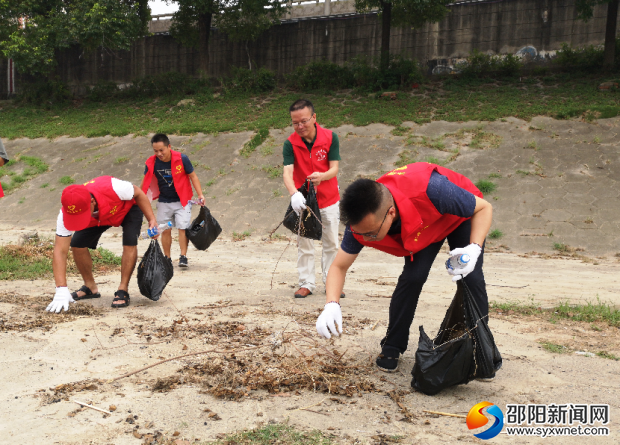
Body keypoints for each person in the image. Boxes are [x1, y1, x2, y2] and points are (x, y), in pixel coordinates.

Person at [315, 162, 493, 374]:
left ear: (390, 213)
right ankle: (392, 346)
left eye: (371, 234)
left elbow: (484, 207)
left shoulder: (433, 189)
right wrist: (331, 304)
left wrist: (474, 248)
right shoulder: (363, 223)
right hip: (423, 226)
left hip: (459, 216)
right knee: (413, 277)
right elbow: (339, 266)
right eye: (359, 233)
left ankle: (481, 352)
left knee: (470, 278)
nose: (365, 239)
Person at [46, 176, 159, 312]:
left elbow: (139, 193)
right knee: (77, 243)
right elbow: (60, 250)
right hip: (97, 218)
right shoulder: (65, 213)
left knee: (129, 242)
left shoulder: (115, 187)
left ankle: (123, 289)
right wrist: (61, 288)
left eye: (81, 214)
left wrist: (151, 219)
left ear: (92, 201)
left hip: (127, 209)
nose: (77, 219)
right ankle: (90, 288)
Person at [283, 99, 344, 299]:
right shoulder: (290, 143)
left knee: (331, 244)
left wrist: (322, 176)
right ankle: (306, 283)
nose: (300, 126)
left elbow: (334, 167)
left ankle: (331, 283)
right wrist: (294, 194)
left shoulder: (330, 137)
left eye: (304, 121)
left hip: (328, 199)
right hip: (304, 203)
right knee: (305, 244)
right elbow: (287, 172)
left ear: (314, 117)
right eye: (295, 123)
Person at [141, 133, 204, 268]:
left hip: (182, 200)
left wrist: (200, 195)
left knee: (182, 228)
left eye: (161, 150)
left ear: (169, 146)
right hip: (164, 200)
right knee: (165, 229)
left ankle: (183, 256)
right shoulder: (151, 162)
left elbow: (193, 176)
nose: (159, 153)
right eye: (155, 151)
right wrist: (140, 199)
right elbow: (145, 182)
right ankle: (167, 258)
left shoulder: (182, 159)